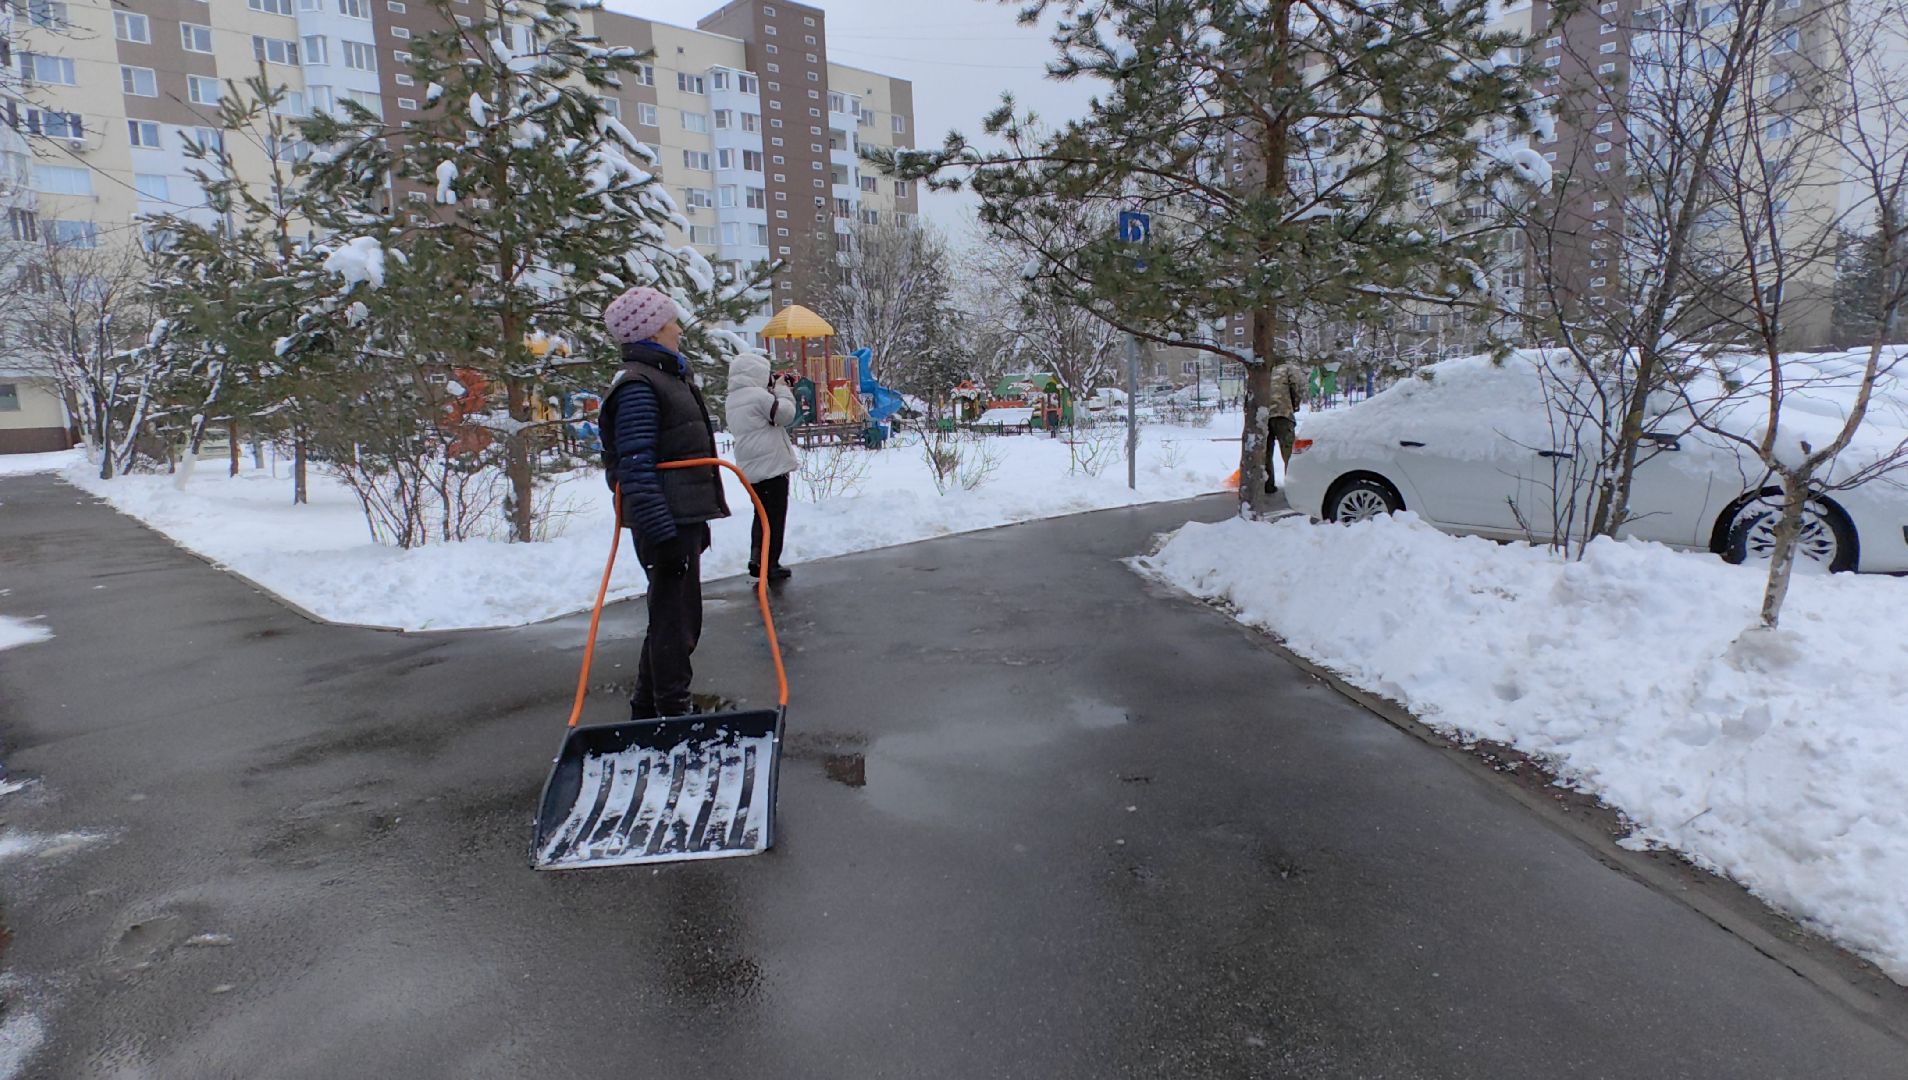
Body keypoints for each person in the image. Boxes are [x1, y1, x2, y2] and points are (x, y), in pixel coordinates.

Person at [599, 286, 729, 720]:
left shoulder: (664, 376)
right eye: (670, 321)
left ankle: (646, 708)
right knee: (676, 624)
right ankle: (672, 715)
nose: (677, 328)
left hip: (680, 519)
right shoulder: (639, 386)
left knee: (672, 619)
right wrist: (664, 533)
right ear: (651, 330)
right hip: (666, 524)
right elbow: (635, 465)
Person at [725, 350, 800, 582]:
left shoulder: (733, 398)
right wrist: (782, 389)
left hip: (750, 466)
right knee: (775, 516)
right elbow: (784, 414)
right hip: (771, 465)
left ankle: (757, 558)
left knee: (761, 514)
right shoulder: (757, 396)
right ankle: (771, 564)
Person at [1265, 360, 1308, 494]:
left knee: (1265, 453)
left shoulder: (1262, 369)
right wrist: (1294, 405)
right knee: (1289, 452)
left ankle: (1267, 485)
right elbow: (1297, 386)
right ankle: (1293, 488)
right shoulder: (1289, 368)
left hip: (1262, 414)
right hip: (1282, 413)